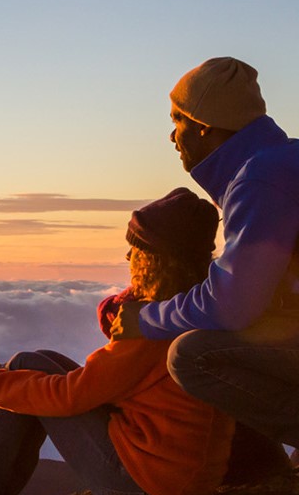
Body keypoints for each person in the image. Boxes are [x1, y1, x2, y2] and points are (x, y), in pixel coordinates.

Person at [0, 188, 233, 495]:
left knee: (19, 375)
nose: (128, 256)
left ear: (154, 261)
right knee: (33, 362)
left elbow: (71, 396)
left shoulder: (152, 327)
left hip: (149, 487)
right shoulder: (192, 311)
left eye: (136, 249)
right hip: (183, 477)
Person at [112, 57, 299, 450]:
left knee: (192, 355)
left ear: (204, 125)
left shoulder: (260, 180)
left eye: (177, 120)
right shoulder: (282, 162)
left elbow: (232, 306)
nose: (171, 135)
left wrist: (144, 319)